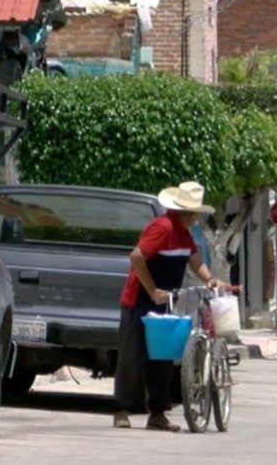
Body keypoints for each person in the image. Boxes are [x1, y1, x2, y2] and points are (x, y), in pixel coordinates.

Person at [113, 181, 222, 432]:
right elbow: (137, 257)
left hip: (164, 304)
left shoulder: (183, 233)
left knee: (161, 359)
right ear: (191, 213)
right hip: (140, 301)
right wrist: (152, 290)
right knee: (131, 358)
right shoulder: (162, 227)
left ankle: (158, 414)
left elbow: (194, 259)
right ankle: (121, 409)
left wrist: (209, 279)